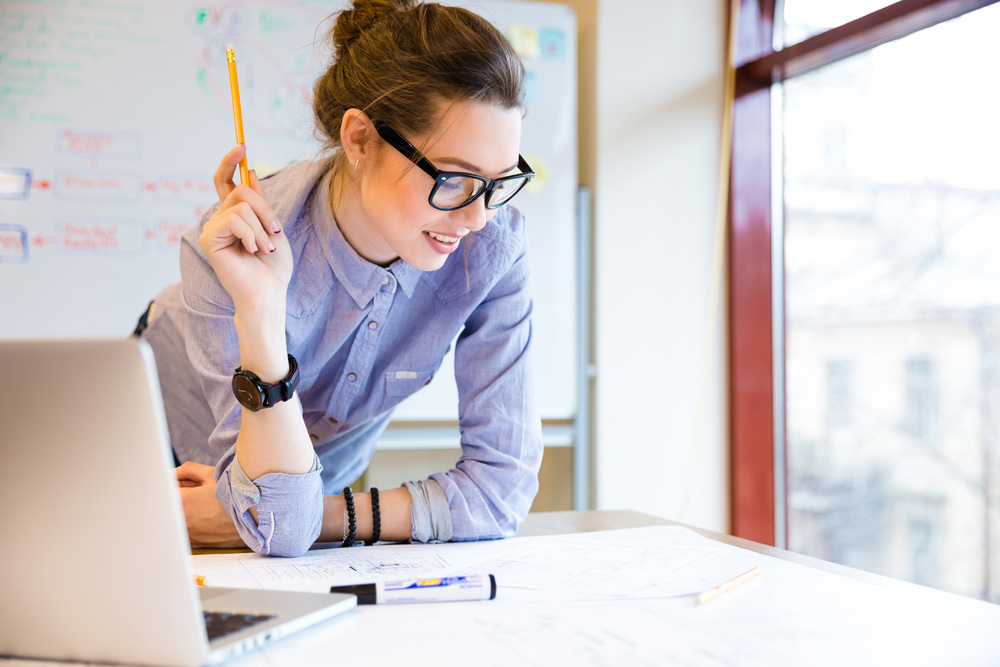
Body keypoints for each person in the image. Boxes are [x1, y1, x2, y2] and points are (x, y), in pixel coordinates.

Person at [141, 0, 542, 557]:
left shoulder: (492, 248)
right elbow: (277, 523)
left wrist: (313, 516)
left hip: (299, 499)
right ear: (358, 139)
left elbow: (503, 492)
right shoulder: (231, 247)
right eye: (454, 179)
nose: (477, 218)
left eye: (500, 181)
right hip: (168, 467)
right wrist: (260, 311)